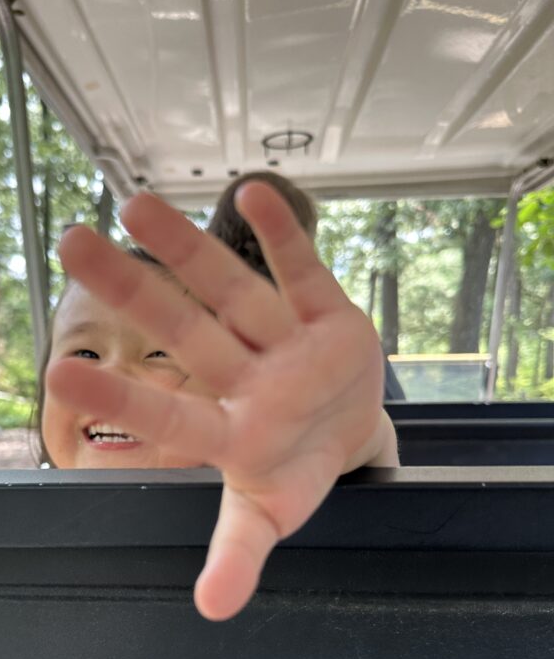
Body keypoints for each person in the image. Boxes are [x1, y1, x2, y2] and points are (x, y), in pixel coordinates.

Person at [41, 181, 399, 621]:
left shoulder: (269, 492)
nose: (111, 374)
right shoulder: (9, 527)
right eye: (85, 354)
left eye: (159, 354)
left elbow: (369, 443)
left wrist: (335, 432)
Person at [208, 170, 406, 401]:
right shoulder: (335, 320)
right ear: (305, 236)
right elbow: (392, 407)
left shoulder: (187, 312)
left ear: (217, 227)